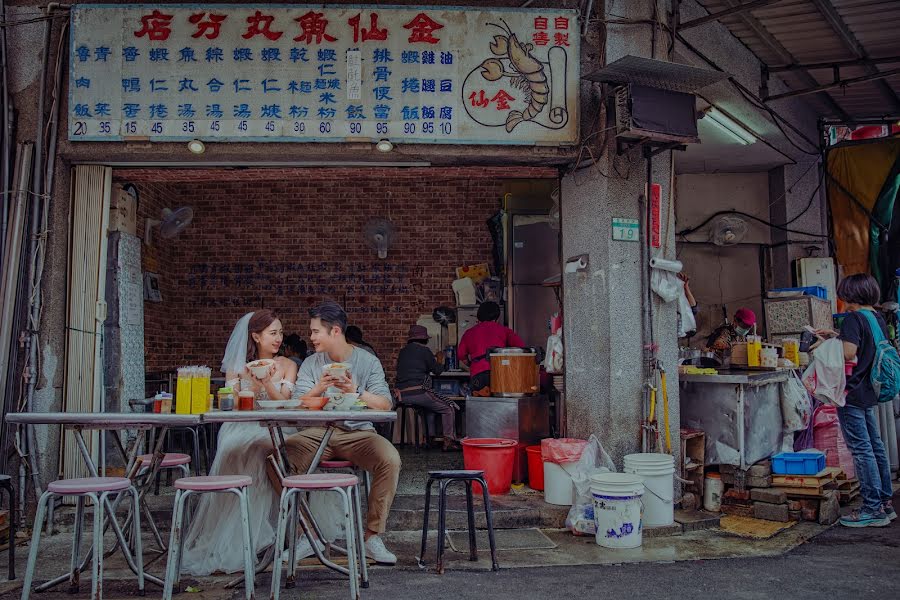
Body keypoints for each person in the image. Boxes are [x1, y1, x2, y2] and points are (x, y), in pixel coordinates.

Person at [181, 310, 298, 575]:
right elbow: (232, 405)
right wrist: (252, 385)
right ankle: (243, 535)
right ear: (256, 336)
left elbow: (282, 402)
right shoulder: (238, 367)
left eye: (280, 332)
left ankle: (276, 531)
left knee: (267, 448)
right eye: (272, 333)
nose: (278, 338)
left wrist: (267, 382)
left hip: (276, 425)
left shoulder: (288, 365)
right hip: (242, 425)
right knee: (240, 448)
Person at [286, 301, 401, 565]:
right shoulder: (311, 364)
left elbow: (385, 404)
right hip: (318, 432)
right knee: (277, 460)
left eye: (316, 332)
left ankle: (371, 537)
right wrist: (319, 387)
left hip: (359, 433)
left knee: (390, 459)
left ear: (335, 331)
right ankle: (309, 534)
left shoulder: (368, 361)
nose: (311, 337)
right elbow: (296, 403)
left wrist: (356, 393)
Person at [818, 274, 895, 527]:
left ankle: (872, 509)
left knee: (862, 450)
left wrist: (827, 343)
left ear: (850, 294)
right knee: (875, 446)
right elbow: (863, 345)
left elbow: (849, 352)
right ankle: (885, 502)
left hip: (852, 392)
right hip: (870, 391)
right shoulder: (876, 317)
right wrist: (837, 335)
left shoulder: (853, 317)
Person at [395, 324, 460, 451]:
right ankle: (449, 441)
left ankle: (429, 438)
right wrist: (441, 359)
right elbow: (437, 370)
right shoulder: (424, 351)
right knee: (448, 408)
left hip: (401, 395)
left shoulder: (403, 352)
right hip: (419, 393)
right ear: (424, 339)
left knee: (429, 409)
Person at [457, 301, 525, 395]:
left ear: (478, 316)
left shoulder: (469, 333)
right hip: (500, 372)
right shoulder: (504, 330)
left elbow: (461, 355)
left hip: (478, 374)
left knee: (480, 405)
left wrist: (473, 364)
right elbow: (521, 349)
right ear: (497, 317)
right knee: (500, 405)